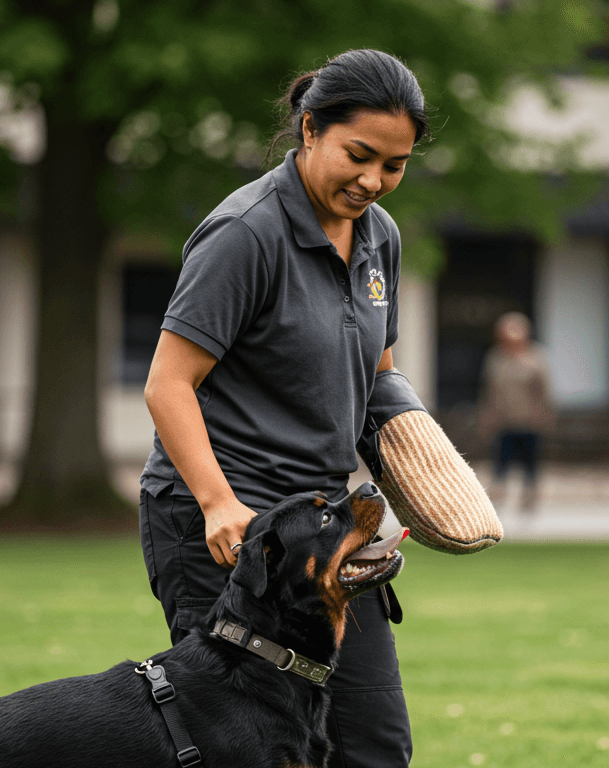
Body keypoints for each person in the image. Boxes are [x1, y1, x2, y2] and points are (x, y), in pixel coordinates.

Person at [140, 49, 429, 767]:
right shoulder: (246, 234)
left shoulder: (379, 237)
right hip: (231, 533)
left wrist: (429, 476)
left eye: (393, 165)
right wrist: (216, 504)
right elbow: (167, 384)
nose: (373, 181)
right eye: (359, 155)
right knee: (251, 749)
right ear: (309, 130)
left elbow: (378, 375)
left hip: (323, 528)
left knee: (372, 746)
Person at [477, 311, 554, 514]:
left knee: (531, 466)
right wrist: (486, 417)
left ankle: (529, 503)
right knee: (500, 465)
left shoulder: (536, 358)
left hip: (529, 422)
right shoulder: (495, 358)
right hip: (503, 422)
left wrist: (544, 416)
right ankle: (496, 505)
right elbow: (489, 391)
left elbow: (544, 392)